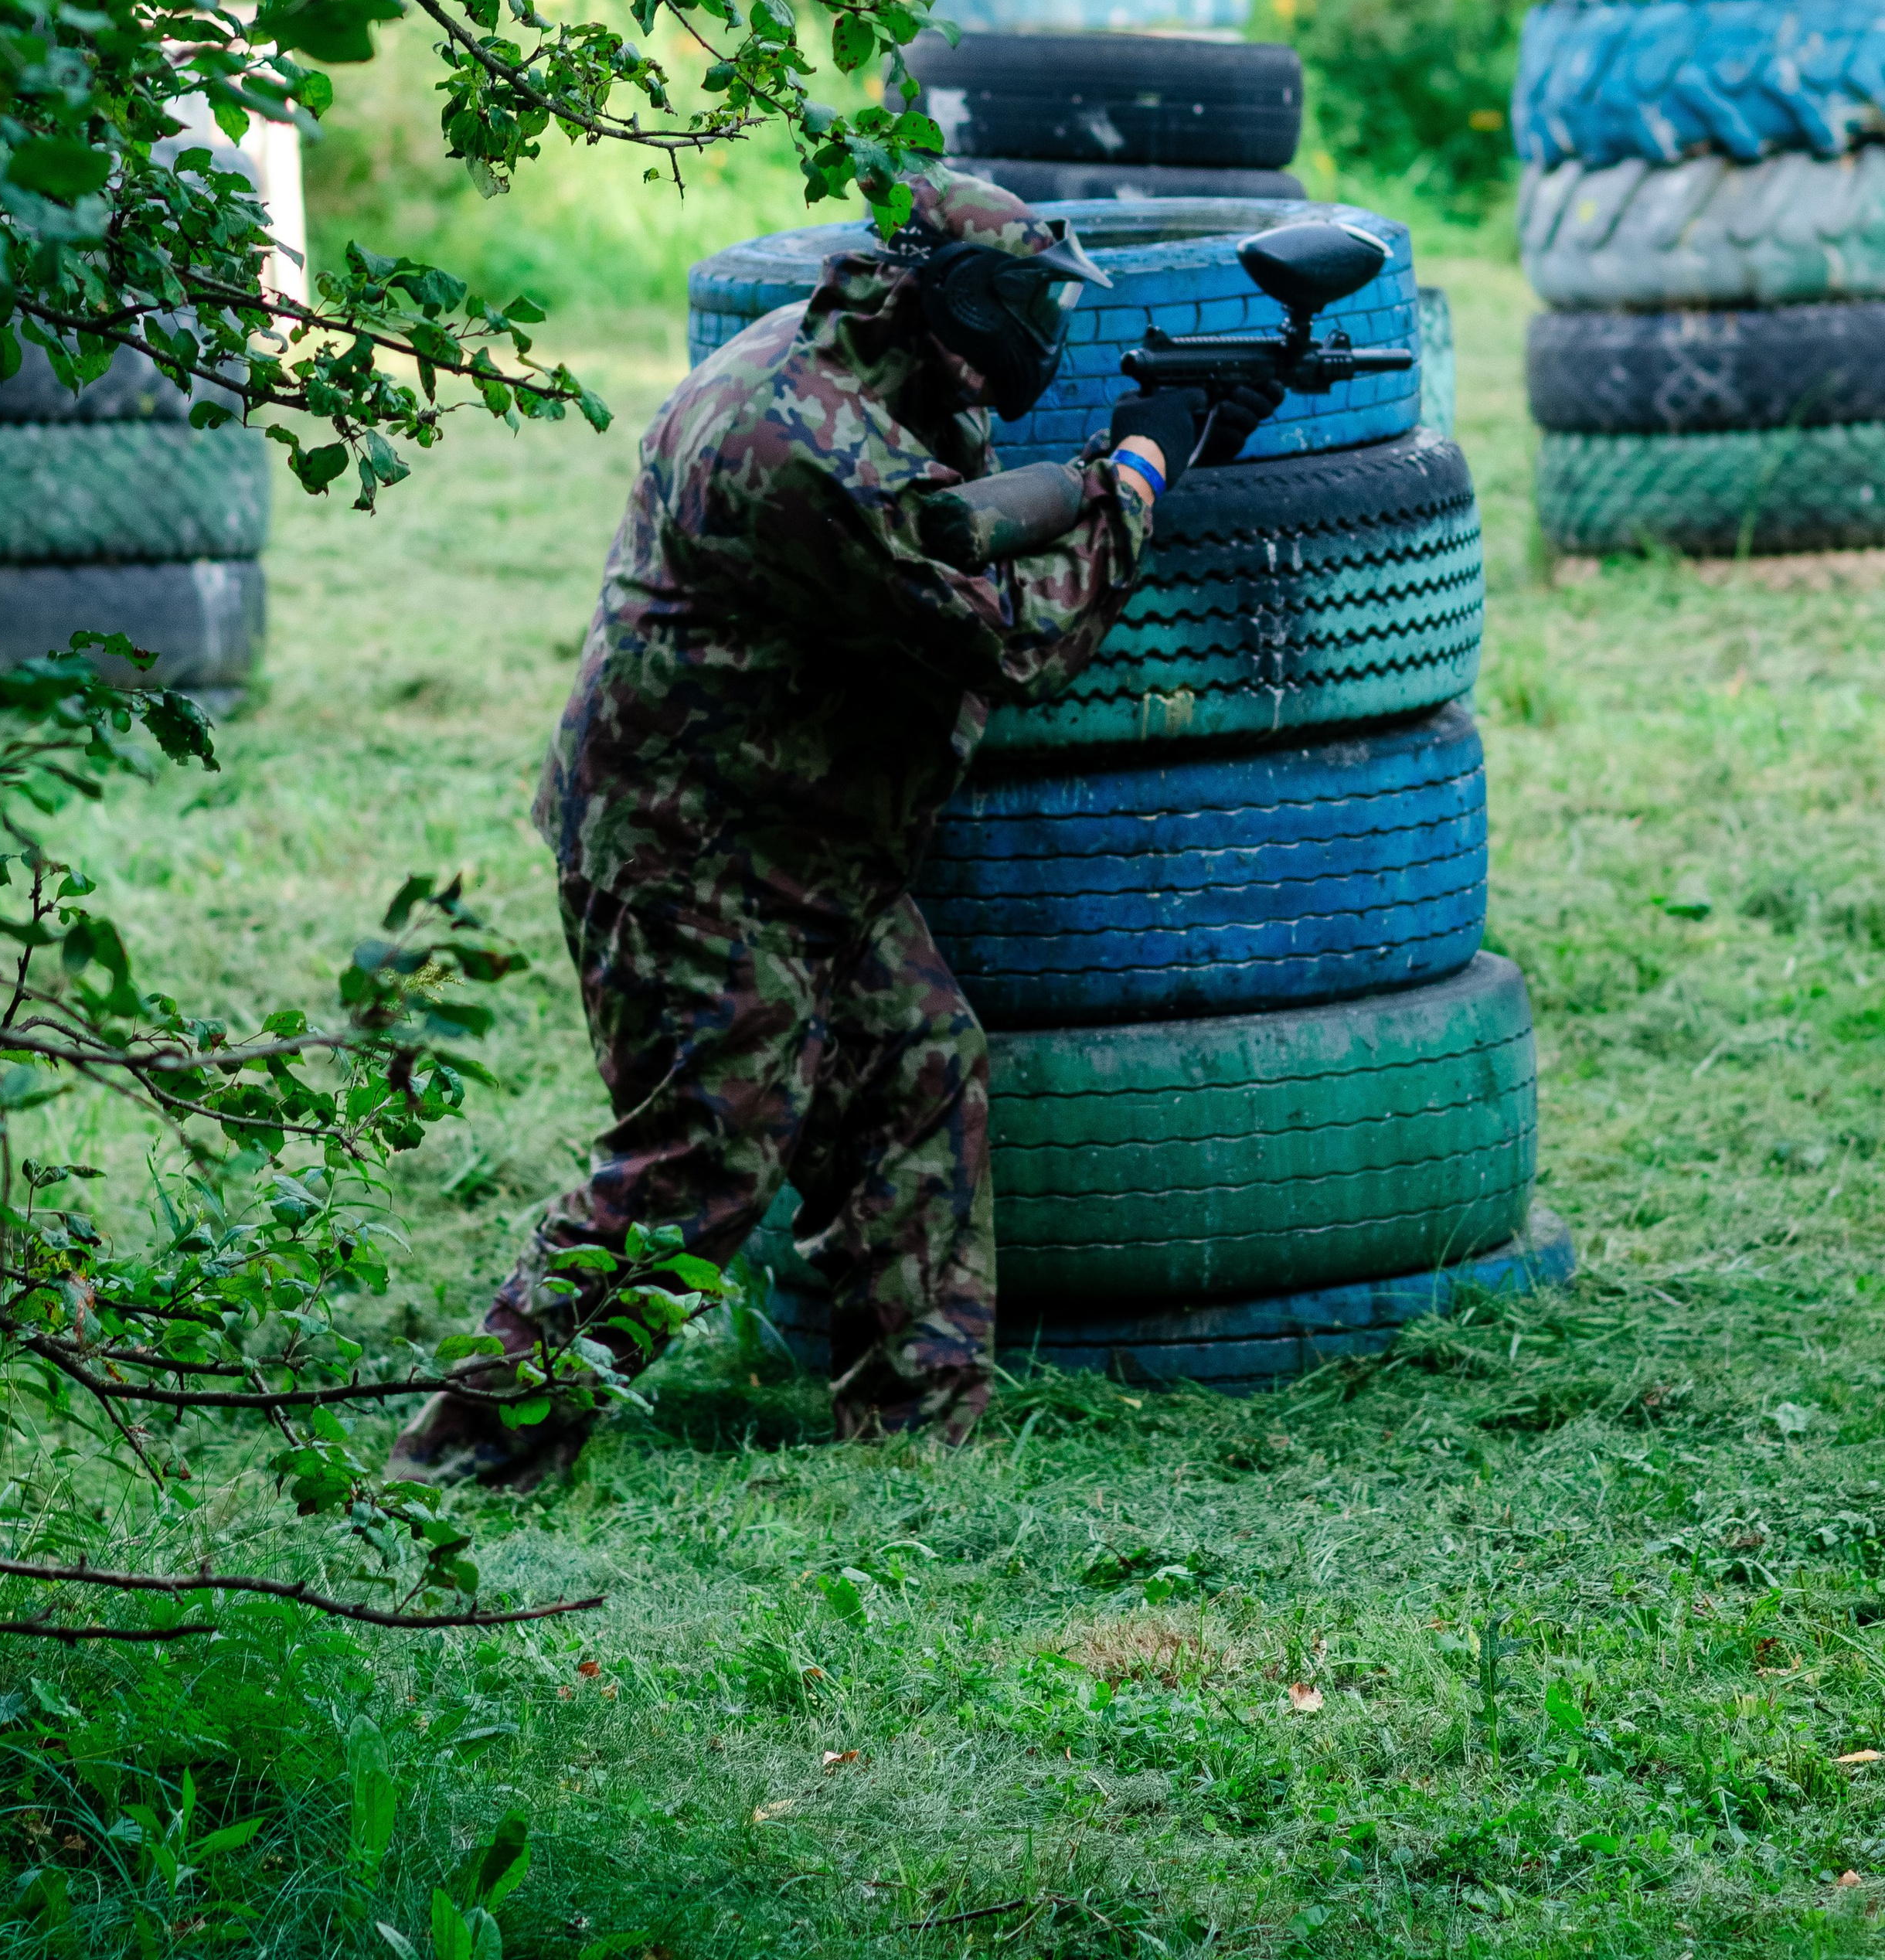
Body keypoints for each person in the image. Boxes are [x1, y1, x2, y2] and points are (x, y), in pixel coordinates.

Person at [390, 173, 1282, 1487]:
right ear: (952, 302)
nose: (1040, 337)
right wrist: (1142, 479)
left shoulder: (885, 365)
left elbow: (968, 511)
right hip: (686, 848)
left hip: (804, 834)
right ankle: (464, 1457)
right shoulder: (798, 439)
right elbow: (1010, 632)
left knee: (917, 1069)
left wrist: (1141, 452)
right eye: (1024, 305)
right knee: (703, 1154)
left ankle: (917, 1451)